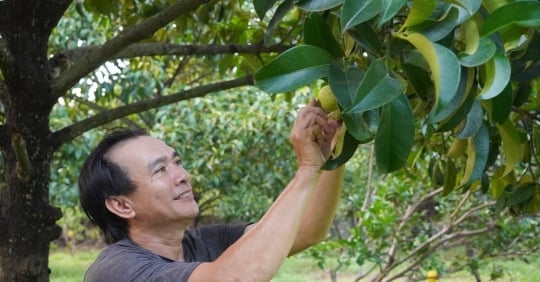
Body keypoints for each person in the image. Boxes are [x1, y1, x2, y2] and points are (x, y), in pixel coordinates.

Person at [78, 99, 345, 281]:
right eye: (160, 170)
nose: (182, 176)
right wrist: (307, 169)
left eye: (178, 162)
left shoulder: (208, 242)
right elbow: (236, 277)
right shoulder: (116, 270)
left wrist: (331, 155)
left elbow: (306, 231)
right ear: (122, 205)